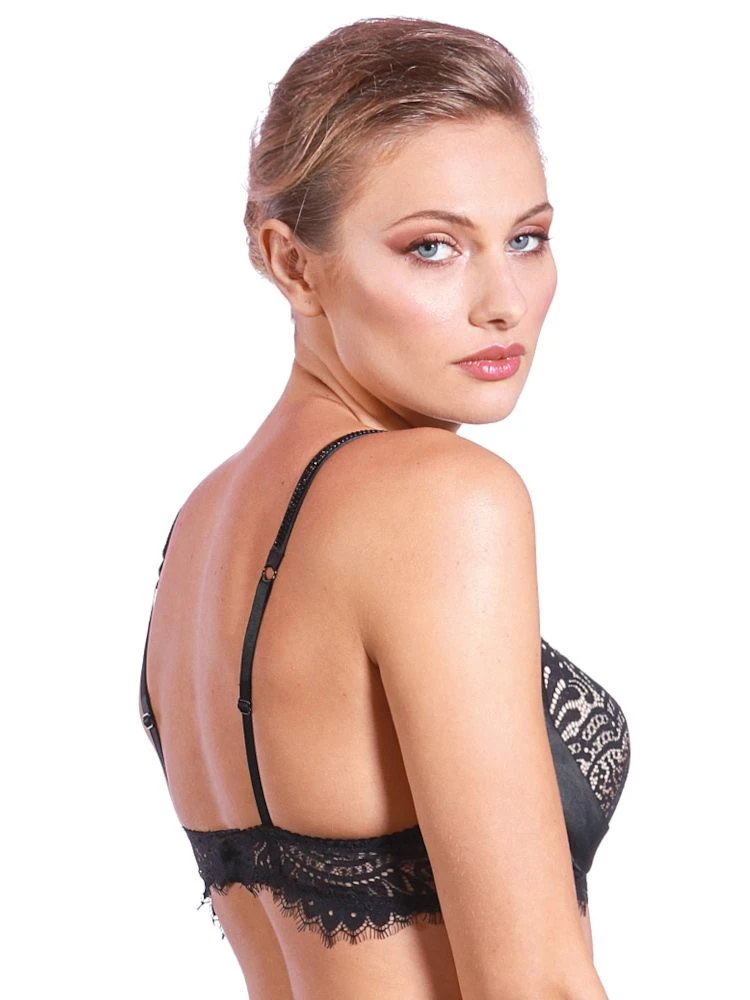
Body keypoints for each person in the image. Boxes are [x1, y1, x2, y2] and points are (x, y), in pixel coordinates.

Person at [138, 15, 630, 999]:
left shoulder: (201, 526)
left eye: (527, 238)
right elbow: (535, 982)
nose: (504, 301)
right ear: (292, 262)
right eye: (433, 247)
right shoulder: (443, 501)